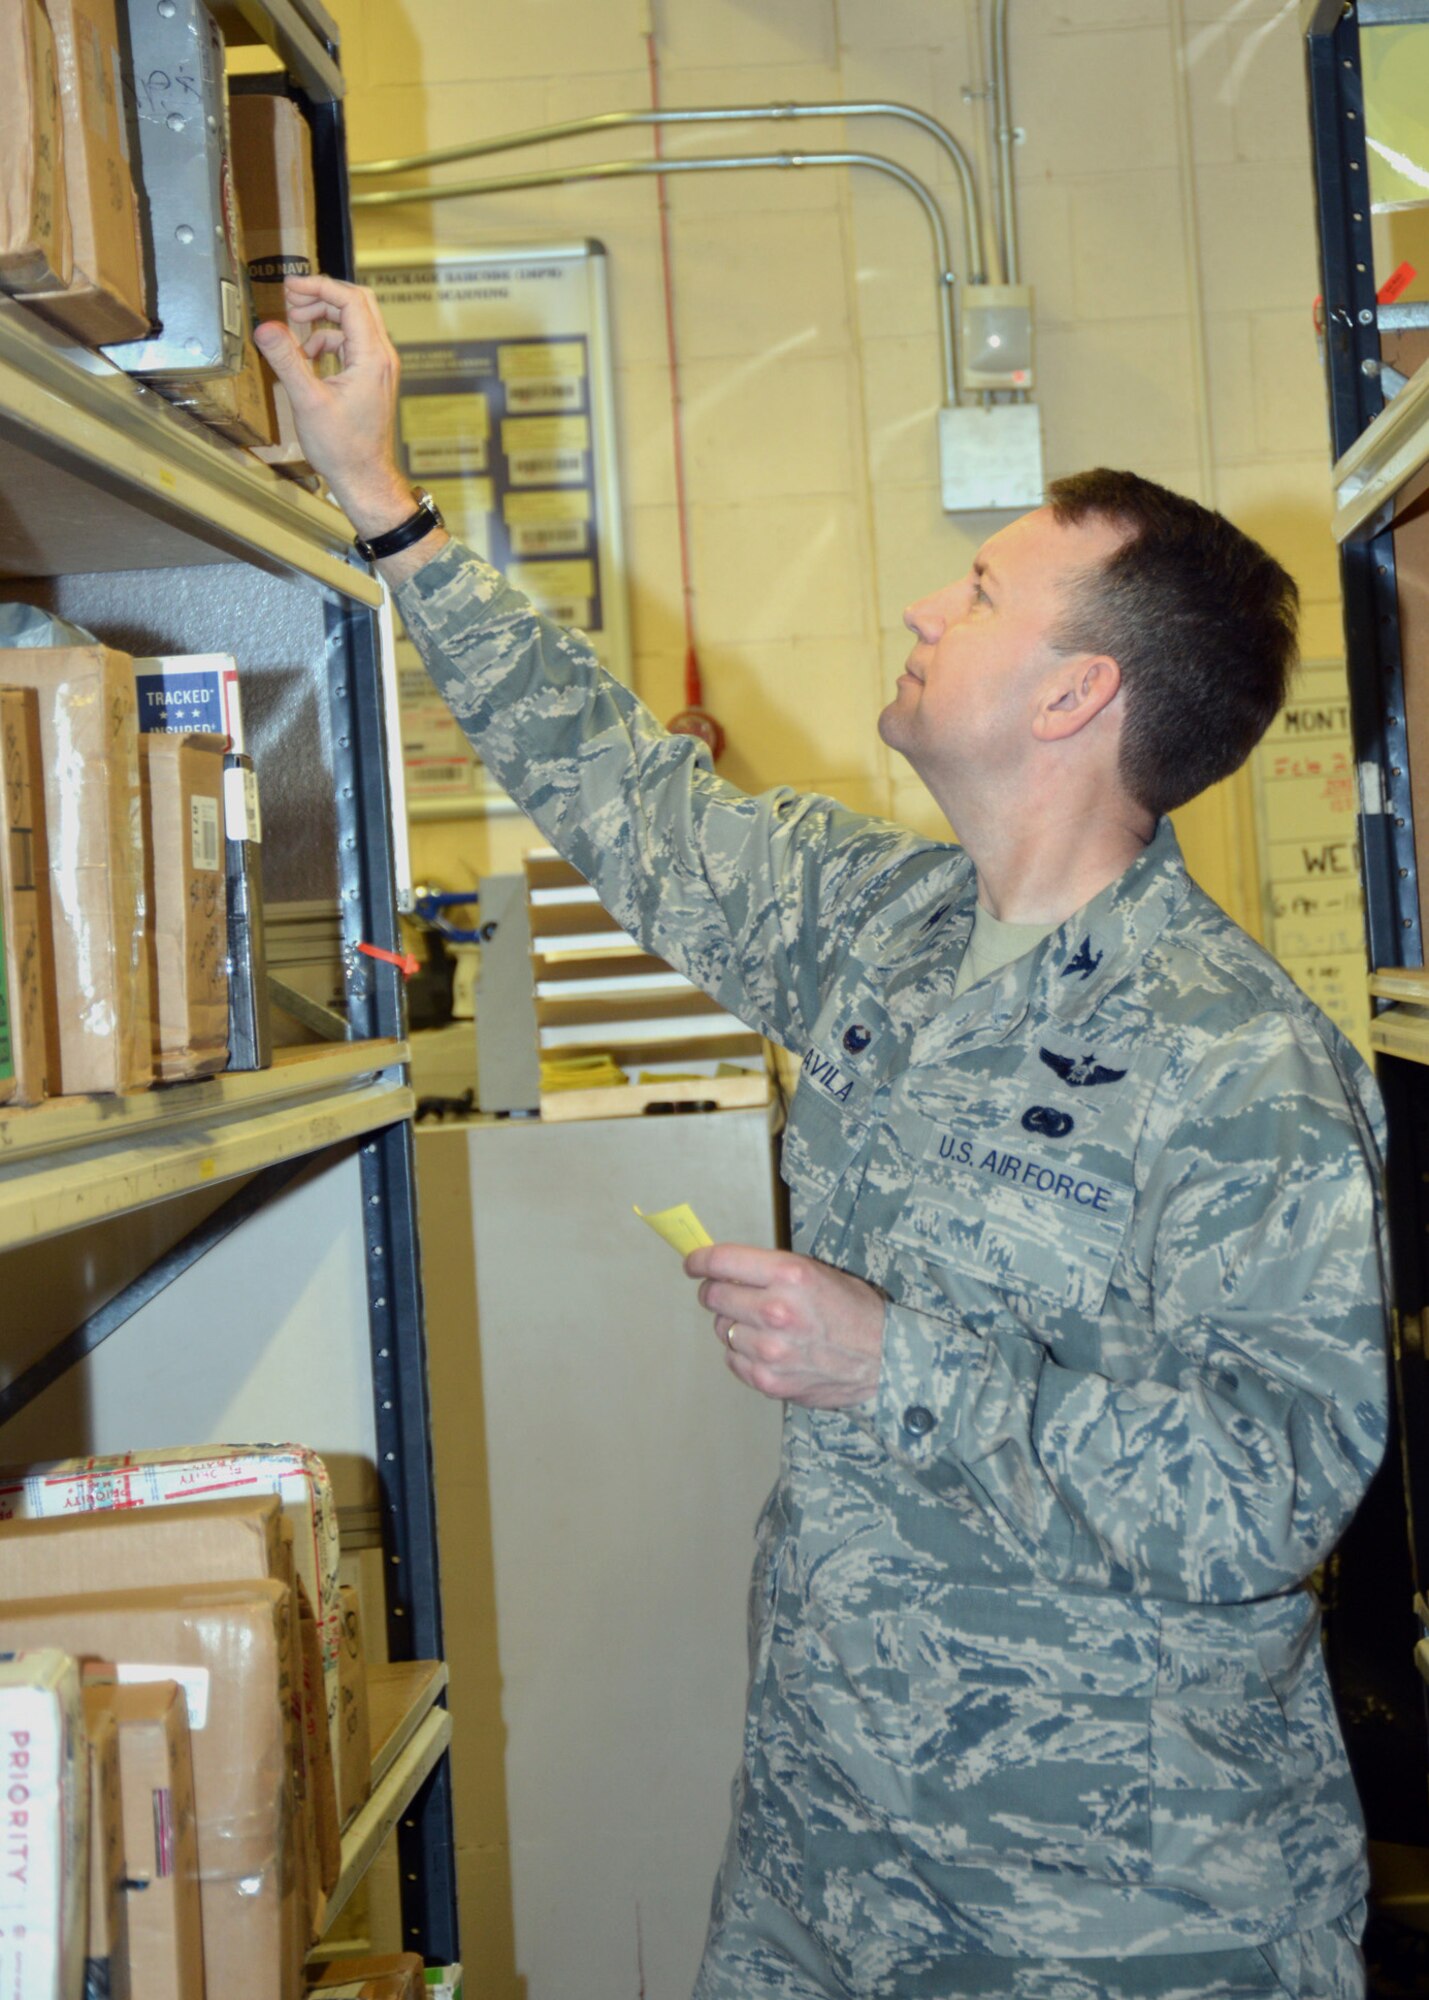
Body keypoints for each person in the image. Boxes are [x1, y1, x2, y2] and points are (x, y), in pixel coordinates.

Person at [256, 278, 1389, 2000]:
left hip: (1116, 1907)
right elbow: (626, 795)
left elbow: (1268, 1492)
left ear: (1078, 692)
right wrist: (386, 507)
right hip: (832, 1843)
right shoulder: (885, 926)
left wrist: (896, 1365)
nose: (932, 600)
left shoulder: (1240, 1061)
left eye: (986, 588)